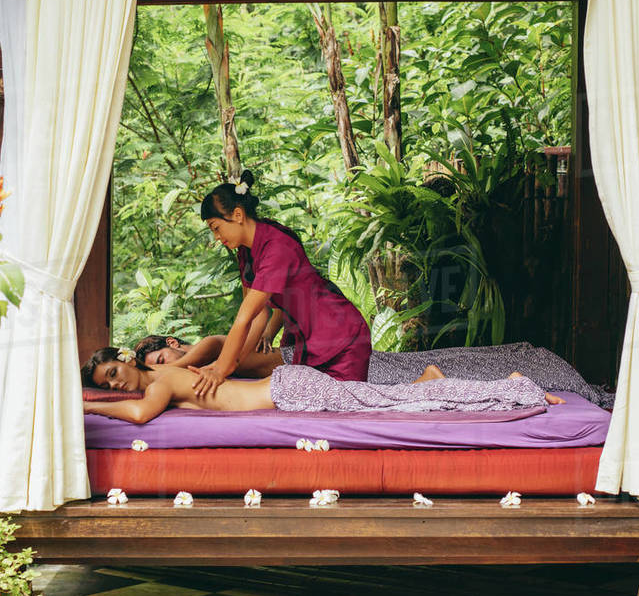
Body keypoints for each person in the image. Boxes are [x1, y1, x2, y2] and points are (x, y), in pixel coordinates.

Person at [190, 170, 371, 396]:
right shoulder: (246, 252)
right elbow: (257, 316)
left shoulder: (276, 247)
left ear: (237, 215)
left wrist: (222, 368)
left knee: (351, 405)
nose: (216, 237)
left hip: (341, 337)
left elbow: (245, 317)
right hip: (307, 342)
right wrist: (228, 365)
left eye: (216, 228)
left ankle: (425, 382)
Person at [81, 347, 563, 425]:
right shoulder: (167, 381)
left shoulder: (159, 380)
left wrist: (90, 408)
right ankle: (434, 381)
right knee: (388, 402)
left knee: (391, 406)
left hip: (293, 391)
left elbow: (143, 414)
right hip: (290, 386)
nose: (116, 383)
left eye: (113, 374)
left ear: (125, 360)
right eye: (108, 384)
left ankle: (513, 385)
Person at [135, 333, 282, 378]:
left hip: (296, 360)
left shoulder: (210, 344)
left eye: (161, 360)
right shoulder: (196, 371)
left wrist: (147, 372)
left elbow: (173, 369)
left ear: (172, 342)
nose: (165, 367)